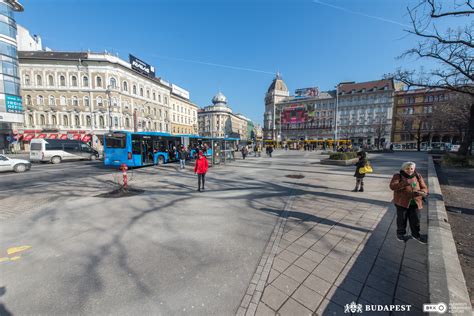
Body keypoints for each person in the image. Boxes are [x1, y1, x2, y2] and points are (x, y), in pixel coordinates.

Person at [390, 162, 429, 243]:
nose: (410, 170)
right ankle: (400, 235)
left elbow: (424, 187)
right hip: (402, 202)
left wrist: (423, 192)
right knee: (402, 219)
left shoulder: (418, 175)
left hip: (416, 202)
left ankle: (416, 235)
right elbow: (393, 186)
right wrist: (406, 182)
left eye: (411, 168)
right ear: (403, 169)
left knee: (416, 220)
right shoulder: (398, 176)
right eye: (407, 168)